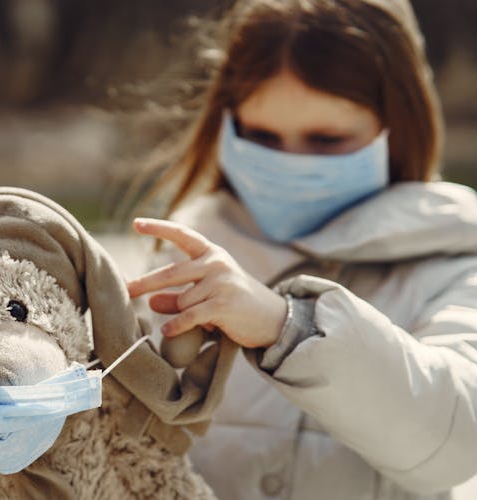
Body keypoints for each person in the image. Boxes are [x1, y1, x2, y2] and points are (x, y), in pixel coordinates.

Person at [125, 0, 477, 499]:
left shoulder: (455, 258)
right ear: (228, 127)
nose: (291, 162)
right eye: (262, 136)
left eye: (327, 138)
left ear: (398, 129)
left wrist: (289, 327)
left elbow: (458, 442)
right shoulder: (183, 252)